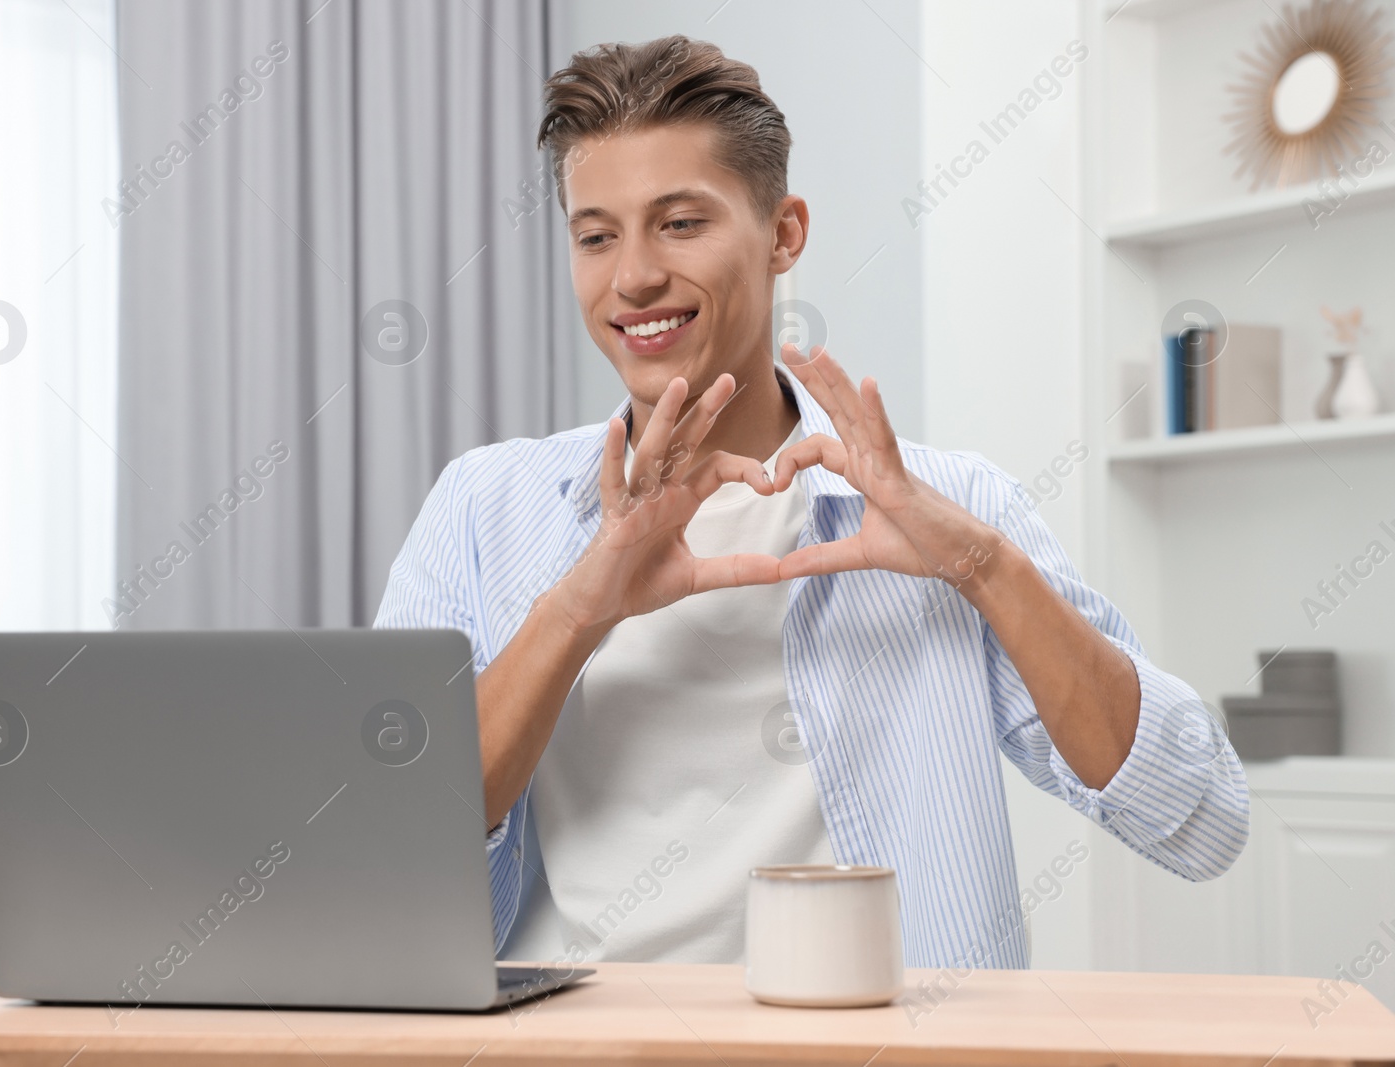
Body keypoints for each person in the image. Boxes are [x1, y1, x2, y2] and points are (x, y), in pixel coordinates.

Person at [374, 35, 1247, 970]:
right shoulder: (484, 506)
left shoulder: (949, 508)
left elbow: (1198, 820)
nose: (631, 277)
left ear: (784, 233)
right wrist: (583, 603)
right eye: (596, 235)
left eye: (679, 223)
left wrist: (986, 570)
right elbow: (382, 853)